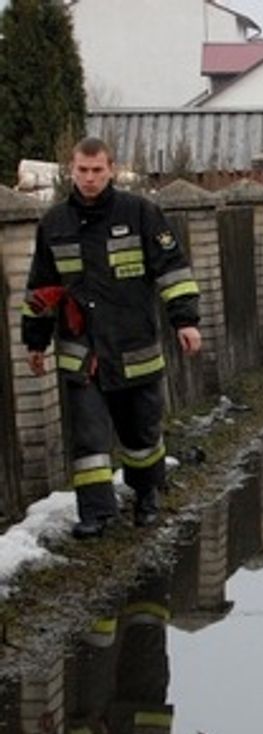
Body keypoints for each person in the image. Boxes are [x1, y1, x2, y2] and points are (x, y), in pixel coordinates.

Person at [21, 137, 202, 539]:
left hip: (134, 347)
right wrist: (35, 342)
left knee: (141, 434)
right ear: (72, 170)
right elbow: (41, 289)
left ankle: (146, 494)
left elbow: (172, 270)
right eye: (82, 171)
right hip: (81, 352)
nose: (88, 178)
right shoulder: (54, 224)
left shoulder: (140, 213)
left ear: (112, 170)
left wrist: (185, 321)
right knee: (89, 437)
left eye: (96, 170)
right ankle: (96, 514)